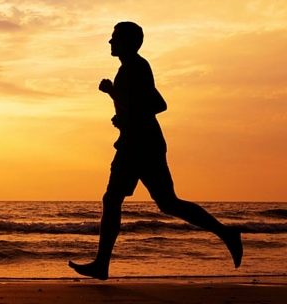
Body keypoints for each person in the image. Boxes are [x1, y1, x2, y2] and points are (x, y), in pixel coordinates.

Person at [68, 22, 243, 280]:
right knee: (160, 202)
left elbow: (157, 105)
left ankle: (102, 264)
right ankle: (226, 233)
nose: (110, 42)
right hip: (137, 142)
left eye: (114, 38)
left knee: (120, 199)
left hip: (140, 145)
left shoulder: (137, 68)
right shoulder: (130, 69)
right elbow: (144, 104)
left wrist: (112, 93)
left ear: (128, 41)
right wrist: (122, 115)